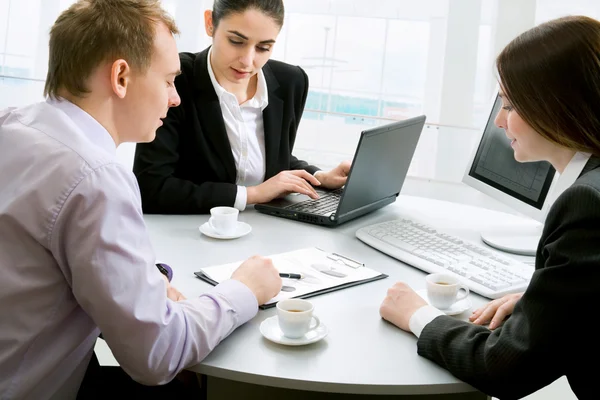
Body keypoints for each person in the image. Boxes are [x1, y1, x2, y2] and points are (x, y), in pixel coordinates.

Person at [0, 1, 282, 398]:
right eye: (168, 81)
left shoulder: (13, 124)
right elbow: (158, 354)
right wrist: (244, 290)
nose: (175, 99)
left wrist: (147, 279)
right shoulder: (95, 179)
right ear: (120, 76)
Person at [379, 15, 600, 399]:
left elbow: (506, 367)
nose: (499, 121)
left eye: (511, 105)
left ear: (558, 106)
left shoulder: (588, 203)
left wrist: (417, 315)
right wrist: (546, 303)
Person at [133, 0, 351, 214]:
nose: (248, 61)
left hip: (267, 229)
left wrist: (320, 177)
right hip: (192, 232)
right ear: (210, 23)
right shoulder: (177, 80)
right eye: (236, 41)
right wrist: (253, 194)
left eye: (263, 47)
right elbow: (150, 187)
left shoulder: (291, 82)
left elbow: (268, 159)